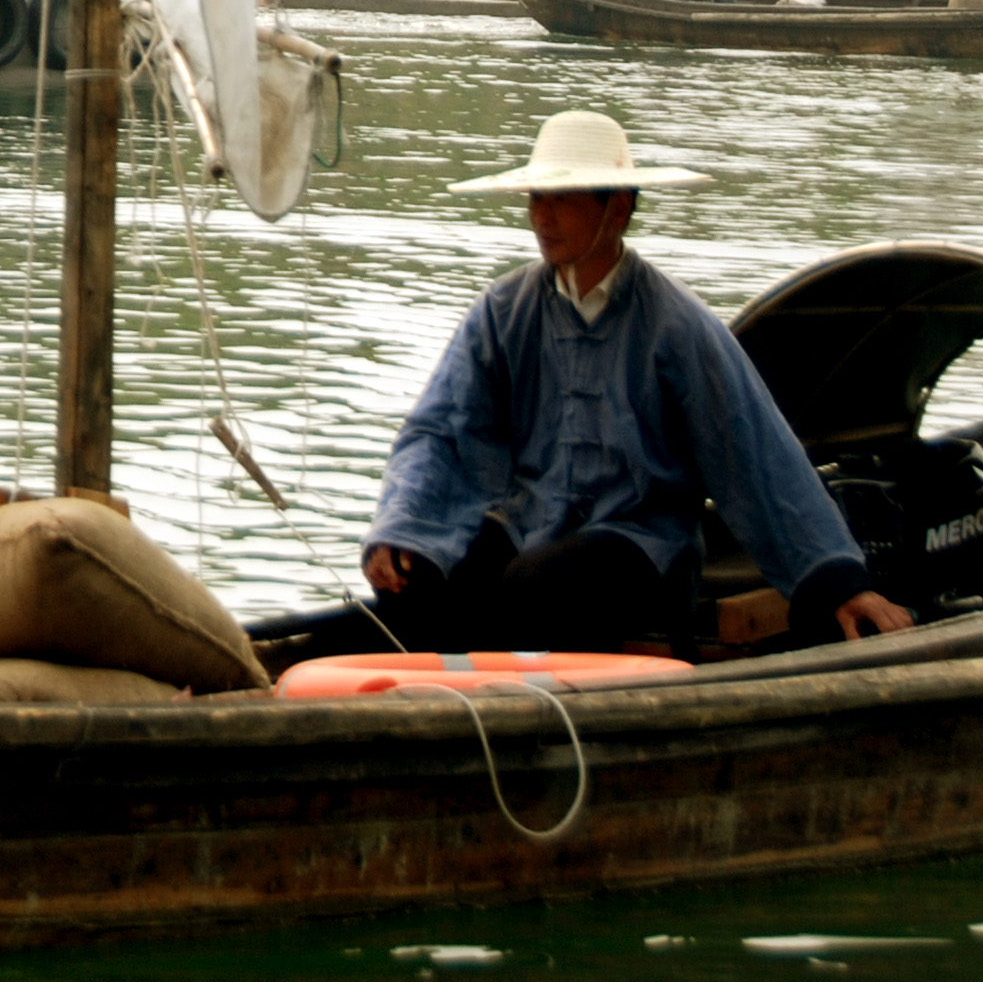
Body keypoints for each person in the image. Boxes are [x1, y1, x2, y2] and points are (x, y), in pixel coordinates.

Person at [353, 110, 914, 652]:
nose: (542, 218)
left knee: (537, 586)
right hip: (530, 521)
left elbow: (751, 451)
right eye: (536, 200)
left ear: (617, 209)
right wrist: (401, 527)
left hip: (641, 542)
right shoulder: (503, 311)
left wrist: (837, 581)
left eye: (562, 200)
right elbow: (440, 431)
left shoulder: (676, 323)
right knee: (413, 581)